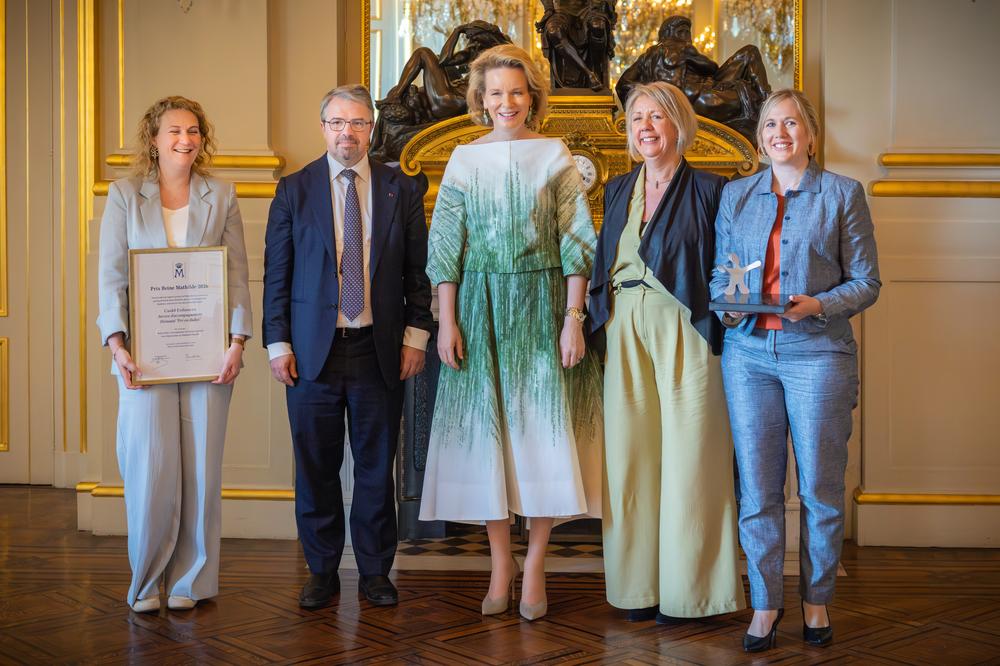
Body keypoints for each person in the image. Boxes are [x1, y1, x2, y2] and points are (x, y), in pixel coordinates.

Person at [418, 44, 603, 622]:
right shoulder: (462, 160)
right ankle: (501, 563)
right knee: (489, 439)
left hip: (543, 305)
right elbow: (446, 248)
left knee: (540, 436)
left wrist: (574, 321)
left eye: (517, 92)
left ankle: (536, 564)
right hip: (477, 308)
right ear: (480, 100)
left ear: (533, 98)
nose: (507, 102)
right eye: (495, 93)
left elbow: (578, 243)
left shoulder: (555, 154)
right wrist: (446, 321)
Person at [711, 89, 880, 651]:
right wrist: (729, 303)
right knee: (757, 489)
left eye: (791, 123)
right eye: (769, 124)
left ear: (810, 133)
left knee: (820, 490)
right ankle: (763, 606)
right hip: (748, 355)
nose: (779, 133)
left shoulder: (842, 194)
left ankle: (815, 601)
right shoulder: (736, 195)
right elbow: (723, 276)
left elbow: (866, 282)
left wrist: (819, 304)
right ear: (760, 137)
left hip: (818, 354)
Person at [262, 84, 433, 610]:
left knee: (376, 466)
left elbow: (416, 273)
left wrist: (416, 336)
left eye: (358, 123)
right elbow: (277, 278)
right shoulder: (293, 190)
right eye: (338, 123)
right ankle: (321, 570)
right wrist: (277, 344)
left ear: (372, 129)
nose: (348, 132)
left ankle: (377, 571)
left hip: (378, 349)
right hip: (312, 354)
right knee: (315, 467)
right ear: (324, 128)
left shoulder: (398, 190)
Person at [588, 81, 745, 624]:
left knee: (692, 458)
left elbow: (730, 265)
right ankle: (637, 590)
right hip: (623, 324)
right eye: (636, 119)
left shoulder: (711, 189)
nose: (646, 127)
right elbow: (598, 262)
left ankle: (692, 594)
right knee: (630, 460)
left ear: (679, 125)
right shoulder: (615, 190)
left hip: (687, 326)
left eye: (657, 117)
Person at [97, 96, 252, 613]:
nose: (185, 140)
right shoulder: (124, 196)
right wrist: (117, 346)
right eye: (174, 131)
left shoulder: (222, 195)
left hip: (209, 355)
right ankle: (145, 583)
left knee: (203, 471)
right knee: (151, 468)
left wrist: (236, 342)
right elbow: (112, 277)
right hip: (143, 358)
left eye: (193, 132)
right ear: (154, 139)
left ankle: (191, 582)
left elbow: (235, 276)